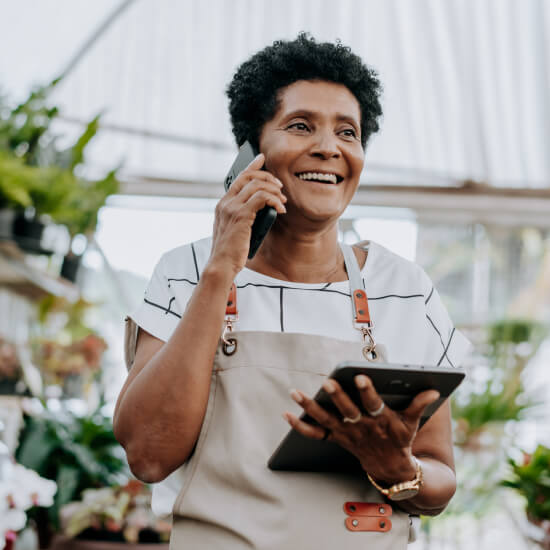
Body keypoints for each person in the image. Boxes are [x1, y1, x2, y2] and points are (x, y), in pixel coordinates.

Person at [114, 34, 471, 549]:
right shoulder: (187, 271)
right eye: (301, 126)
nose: (329, 147)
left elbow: (440, 479)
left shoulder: (404, 291)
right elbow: (148, 453)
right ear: (251, 150)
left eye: (348, 132)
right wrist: (221, 269)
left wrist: (399, 468)